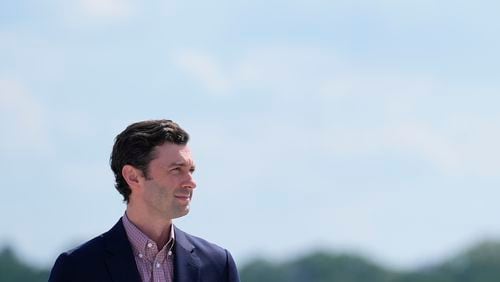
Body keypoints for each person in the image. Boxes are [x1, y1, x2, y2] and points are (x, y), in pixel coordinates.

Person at [49, 119, 240, 282]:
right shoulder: (77, 269)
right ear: (132, 176)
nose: (191, 182)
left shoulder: (218, 266)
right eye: (176, 170)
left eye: (190, 170)